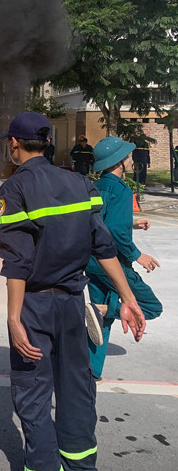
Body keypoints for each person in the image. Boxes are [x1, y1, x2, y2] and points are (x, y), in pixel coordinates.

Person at [0, 112, 146, 471]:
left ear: (14, 144)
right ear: (47, 143)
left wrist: (14, 319)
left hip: (35, 305)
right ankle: (81, 466)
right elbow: (104, 247)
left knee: (32, 392)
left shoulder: (14, 189)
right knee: (77, 387)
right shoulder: (79, 182)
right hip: (74, 304)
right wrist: (128, 297)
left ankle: (45, 468)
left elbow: (17, 261)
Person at [85, 136, 162, 380]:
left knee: (99, 326)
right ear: (120, 161)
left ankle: (91, 369)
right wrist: (138, 255)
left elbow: (102, 223)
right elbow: (116, 232)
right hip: (114, 264)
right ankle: (99, 309)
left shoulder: (94, 187)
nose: (130, 158)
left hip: (92, 263)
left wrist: (133, 223)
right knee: (150, 307)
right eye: (127, 155)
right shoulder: (121, 189)